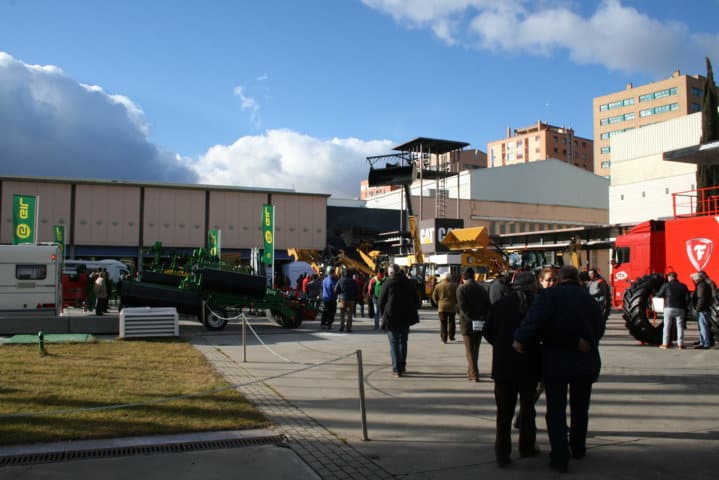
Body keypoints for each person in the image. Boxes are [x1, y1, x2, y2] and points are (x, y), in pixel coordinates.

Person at [513, 265, 606, 474]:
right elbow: (599, 327)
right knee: (580, 408)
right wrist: (585, 342)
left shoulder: (549, 296)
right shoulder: (589, 300)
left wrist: (519, 339)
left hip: (557, 362)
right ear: (577, 280)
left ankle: (560, 456)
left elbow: (534, 322)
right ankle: (578, 447)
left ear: (560, 278)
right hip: (585, 363)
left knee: (556, 410)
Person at [484, 271, 541, 466]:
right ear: (532, 285)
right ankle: (527, 447)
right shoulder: (538, 304)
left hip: (503, 366)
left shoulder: (500, 305)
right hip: (530, 365)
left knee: (504, 413)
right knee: (528, 410)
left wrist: (501, 346)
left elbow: (488, 331)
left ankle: (502, 454)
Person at [379, 265, 420, 377]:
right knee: (403, 341)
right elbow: (417, 301)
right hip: (406, 317)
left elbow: (381, 301)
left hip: (391, 317)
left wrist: (384, 313)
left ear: (391, 273)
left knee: (394, 343)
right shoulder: (409, 283)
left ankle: (396, 369)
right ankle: (402, 366)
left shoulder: (387, 283)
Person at [456, 267, 491, 382]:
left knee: (469, 350)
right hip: (480, 322)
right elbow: (488, 305)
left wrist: (471, 319)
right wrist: (481, 318)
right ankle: (470, 371)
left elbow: (462, 307)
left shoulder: (461, 289)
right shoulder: (482, 288)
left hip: (467, 323)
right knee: (475, 348)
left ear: (463, 277)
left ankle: (474, 374)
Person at [654, 272, 689, 349]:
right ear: (676, 277)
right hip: (680, 308)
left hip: (668, 308)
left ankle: (665, 344)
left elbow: (659, 295)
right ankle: (680, 344)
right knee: (680, 326)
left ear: (669, 277)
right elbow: (687, 298)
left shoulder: (666, 285)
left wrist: (655, 293)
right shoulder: (683, 286)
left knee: (667, 326)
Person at [431, 272, 458, 344]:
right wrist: (456, 303)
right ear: (449, 277)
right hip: (452, 306)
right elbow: (457, 296)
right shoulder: (454, 286)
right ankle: (451, 336)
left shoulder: (438, 286)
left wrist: (438, 303)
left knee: (443, 323)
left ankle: (444, 339)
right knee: (452, 322)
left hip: (442, 307)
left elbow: (434, 296)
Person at [691, 271, 715, 349]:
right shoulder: (703, 285)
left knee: (703, 327)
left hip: (703, 309)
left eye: (694, 279)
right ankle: (703, 342)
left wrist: (698, 308)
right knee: (703, 326)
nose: (693, 280)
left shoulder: (701, 286)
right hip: (704, 308)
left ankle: (706, 343)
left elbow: (701, 298)